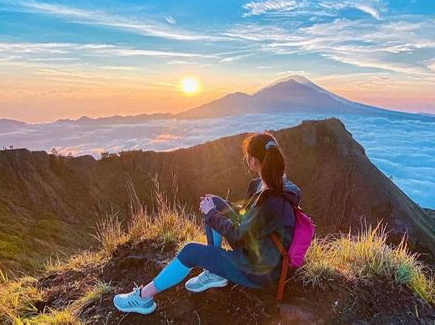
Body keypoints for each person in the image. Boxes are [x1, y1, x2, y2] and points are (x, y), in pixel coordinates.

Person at [113, 132, 302, 315]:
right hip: (259, 249)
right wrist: (216, 210)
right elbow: (250, 222)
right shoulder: (273, 184)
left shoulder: (271, 200)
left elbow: (239, 234)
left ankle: (143, 298)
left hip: (258, 269)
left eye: (247, 156)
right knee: (215, 201)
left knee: (191, 251)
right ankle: (215, 273)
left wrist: (211, 214)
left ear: (253, 161)